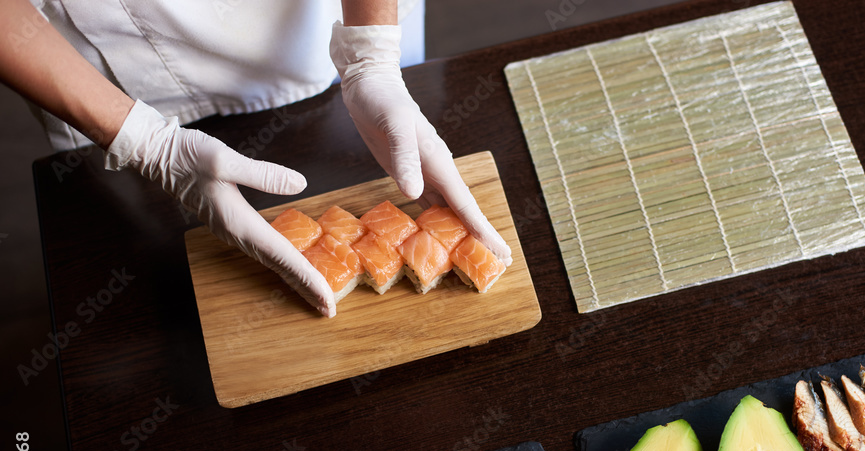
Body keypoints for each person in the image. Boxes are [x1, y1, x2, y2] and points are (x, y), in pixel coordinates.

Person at [0, 0, 512, 317]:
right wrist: (149, 144)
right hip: (98, 87)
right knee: (139, 264)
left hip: (330, 22)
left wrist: (370, 55)